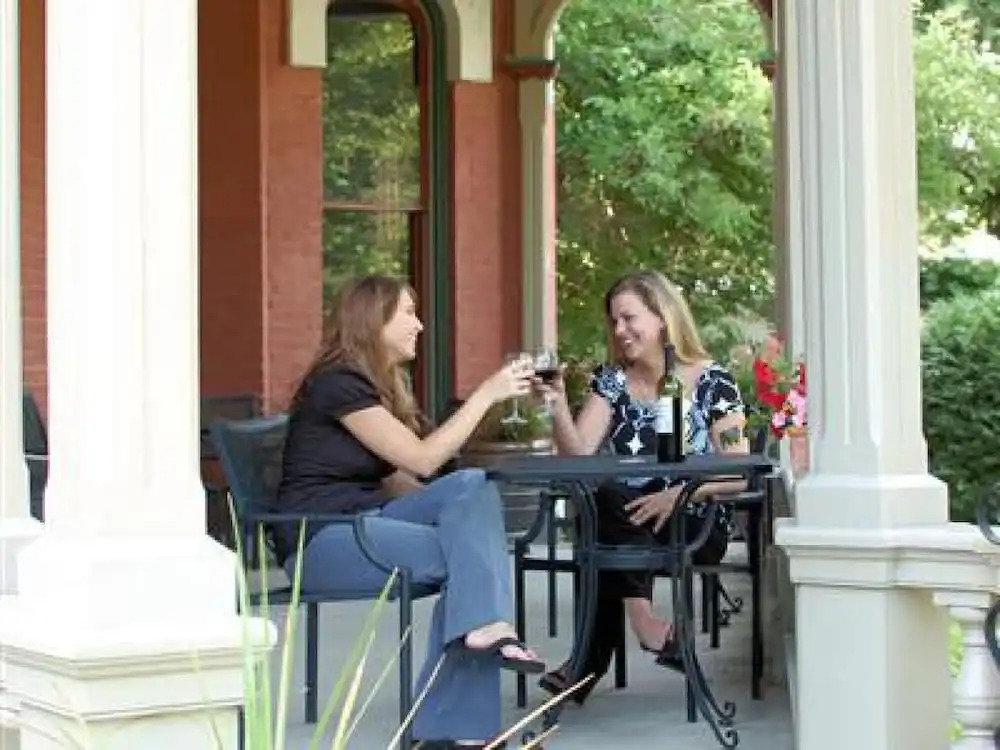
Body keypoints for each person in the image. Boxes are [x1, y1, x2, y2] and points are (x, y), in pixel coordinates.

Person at [277, 274, 545, 748]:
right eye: (408, 313)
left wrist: (460, 514)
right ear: (372, 320)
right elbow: (422, 459)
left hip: (364, 525)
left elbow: (404, 481)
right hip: (319, 542)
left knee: (471, 491)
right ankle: (456, 729)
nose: (419, 325)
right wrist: (487, 394)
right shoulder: (337, 384)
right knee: (472, 567)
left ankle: (470, 683)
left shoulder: (370, 386)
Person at [533, 269, 748, 703]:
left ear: (662, 317)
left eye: (629, 318)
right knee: (600, 494)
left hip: (693, 522)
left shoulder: (713, 382)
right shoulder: (611, 381)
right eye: (614, 320)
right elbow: (579, 458)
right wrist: (557, 407)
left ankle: (584, 667)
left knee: (600, 527)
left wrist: (678, 494)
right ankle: (646, 622)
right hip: (627, 513)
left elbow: (737, 472)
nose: (619, 330)